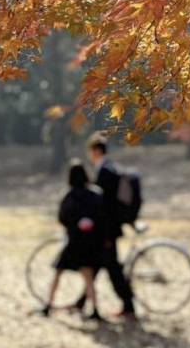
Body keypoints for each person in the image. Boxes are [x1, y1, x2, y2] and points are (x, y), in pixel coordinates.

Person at [42, 161, 104, 320]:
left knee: (58, 274)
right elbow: (102, 217)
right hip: (89, 243)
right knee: (88, 277)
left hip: (73, 242)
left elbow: (62, 218)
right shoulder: (95, 195)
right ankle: (95, 309)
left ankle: (48, 305)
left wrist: (75, 225)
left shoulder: (69, 196)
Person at [85, 132, 136, 318]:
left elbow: (105, 206)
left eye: (90, 150)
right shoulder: (110, 168)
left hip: (107, 229)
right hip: (109, 228)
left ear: (96, 150)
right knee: (98, 265)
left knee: (112, 268)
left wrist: (102, 230)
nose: (89, 155)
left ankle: (128, 304)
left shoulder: (105, 171)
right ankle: (83, 302)